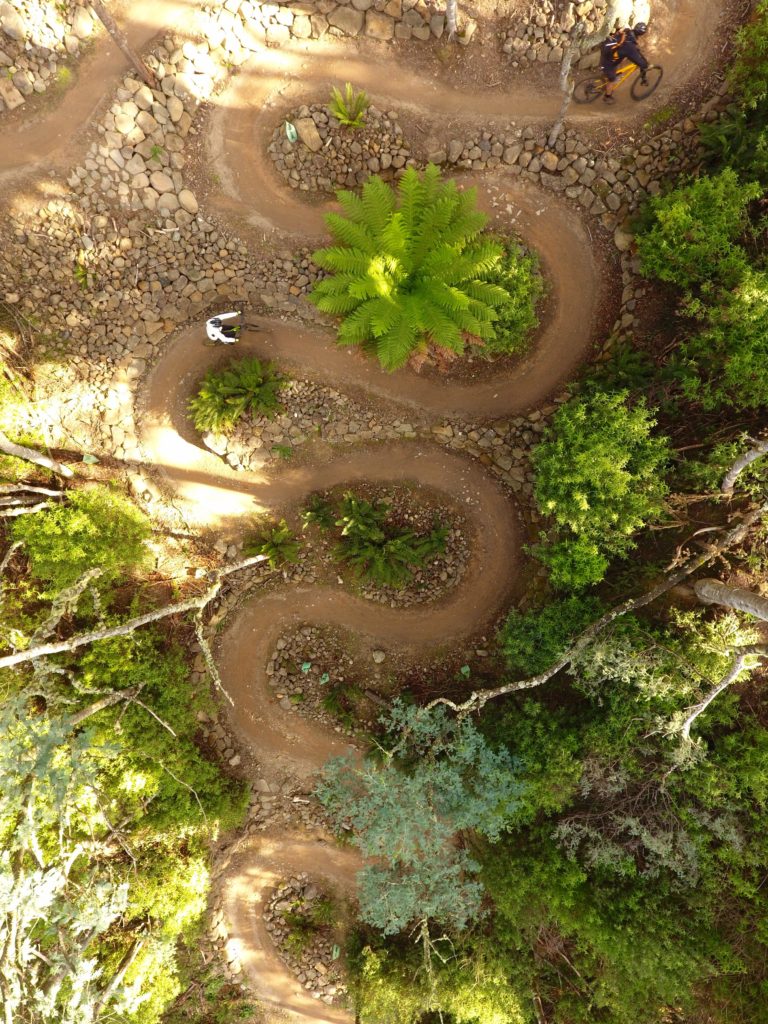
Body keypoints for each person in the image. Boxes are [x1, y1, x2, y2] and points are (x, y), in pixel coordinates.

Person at [600, 22, 649, 103]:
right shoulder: (630, 47)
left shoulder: (627, 31)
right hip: (607, 60)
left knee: (615, 69)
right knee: (612, 79)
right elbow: (639, 62)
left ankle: (605, 76)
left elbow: (632, 49)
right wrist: (644, 64)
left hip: (606, 52)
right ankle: (607, 97)